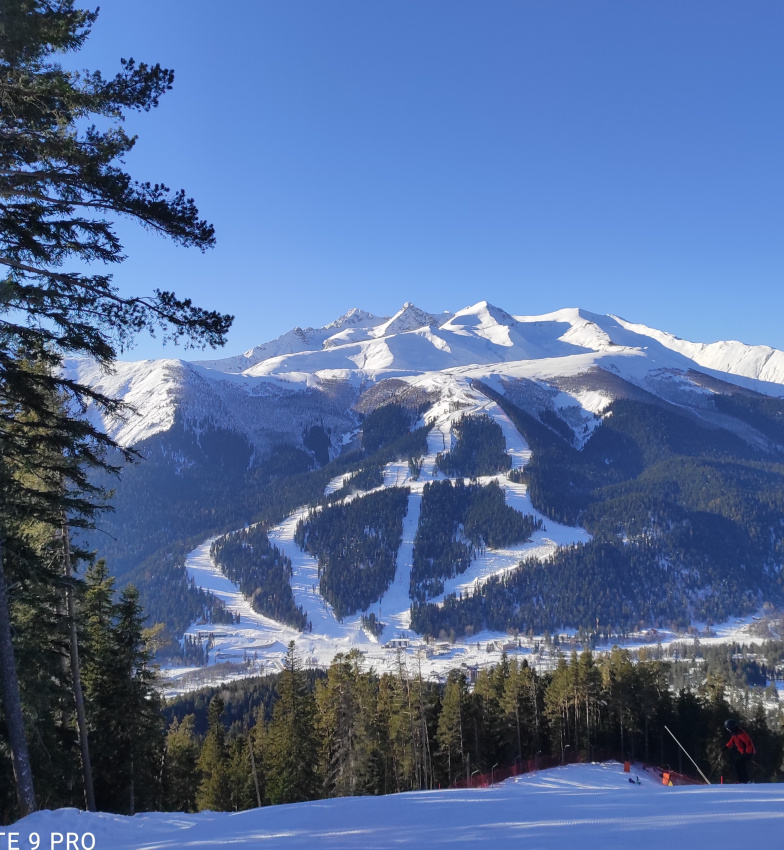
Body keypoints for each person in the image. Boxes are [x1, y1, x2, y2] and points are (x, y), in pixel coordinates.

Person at [725, 718, 755, 783]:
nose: (727, 730)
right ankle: (744, 780)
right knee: (740, 765)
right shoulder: (735, 733)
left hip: (748, 752)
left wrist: (747, 752)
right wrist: (726, 747)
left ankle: (742, 780)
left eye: (727, 728)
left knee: (738, 764)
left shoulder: (740, 733)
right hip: (745, 752)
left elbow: (748, 742)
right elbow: (732, 741)